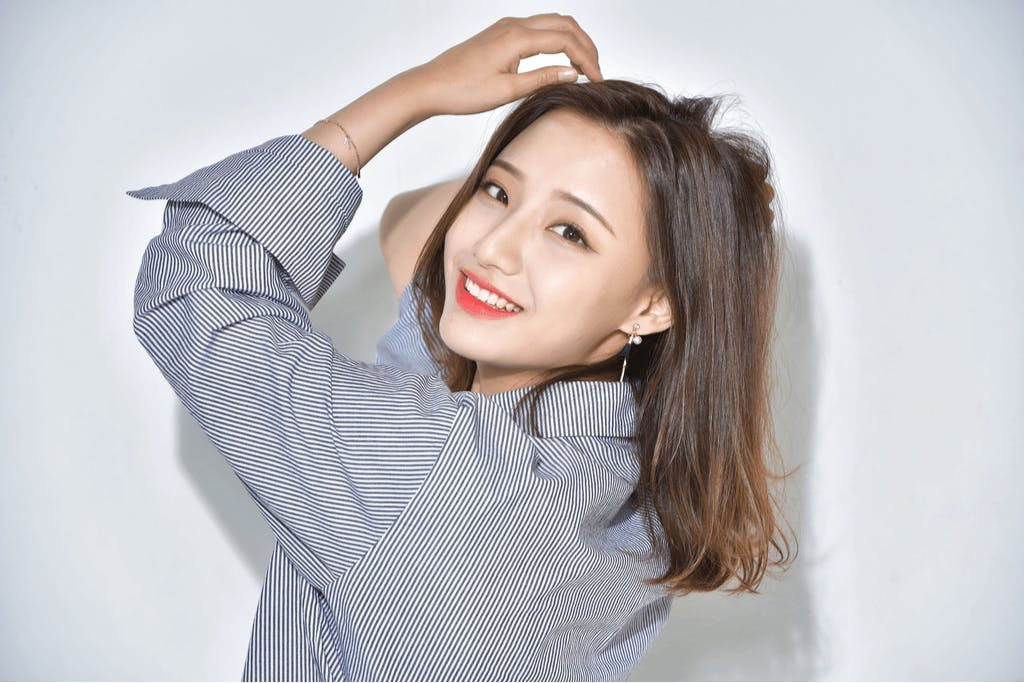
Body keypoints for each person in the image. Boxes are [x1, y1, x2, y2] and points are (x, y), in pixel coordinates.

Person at [129, 13, 793, 681]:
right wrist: (704, 222)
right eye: (497, 190)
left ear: (654, 305)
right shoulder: (635, 494)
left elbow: (198, 273)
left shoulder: (433, 464)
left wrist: (419, 91)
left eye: (570, 233)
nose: (491, 245)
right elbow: (422, 244)